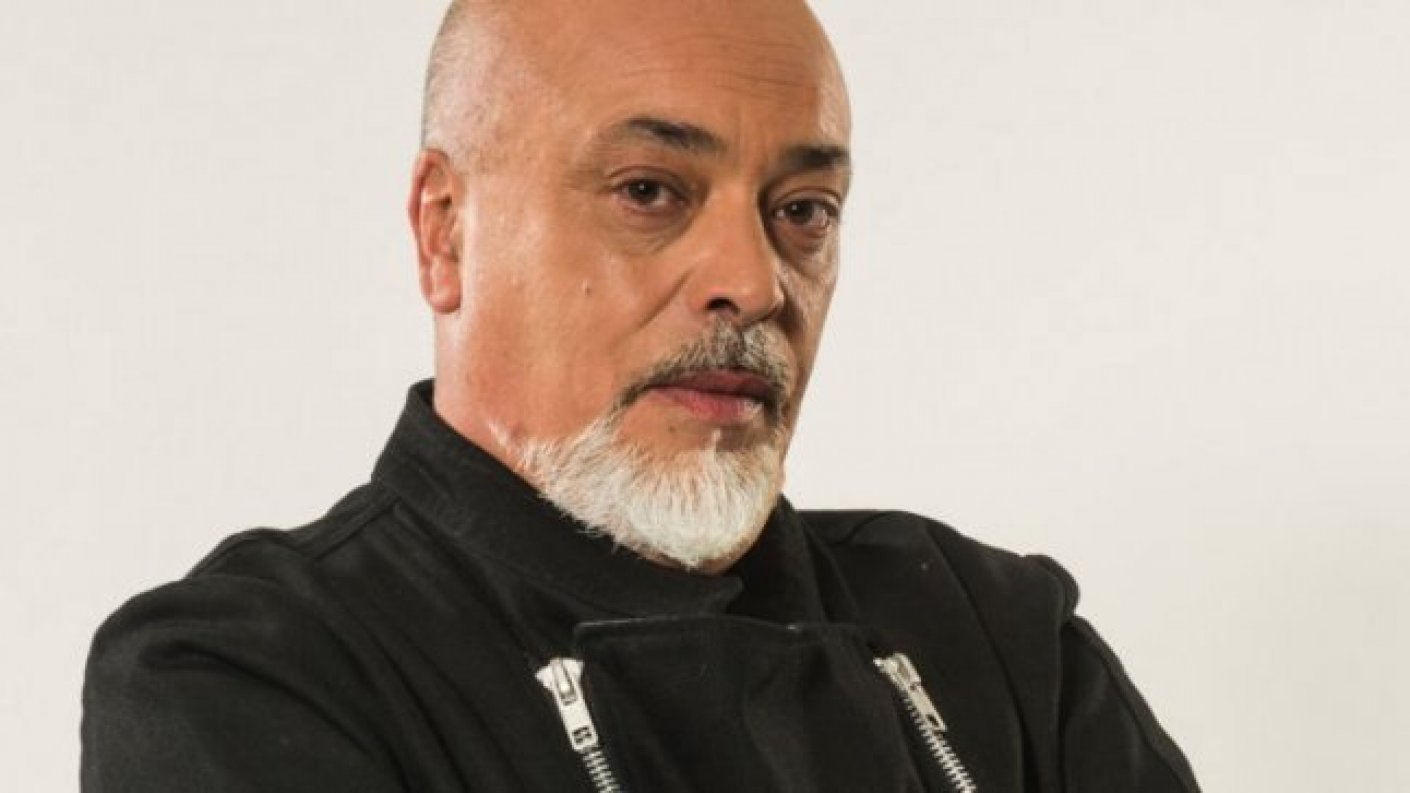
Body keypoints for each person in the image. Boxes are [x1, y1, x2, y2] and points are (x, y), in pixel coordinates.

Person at [81, 1, 1200, 791]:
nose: (753, 281)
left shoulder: (994, 634)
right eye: (651, 191)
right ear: (446, 232)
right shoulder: (250, 671)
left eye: (802, 210)